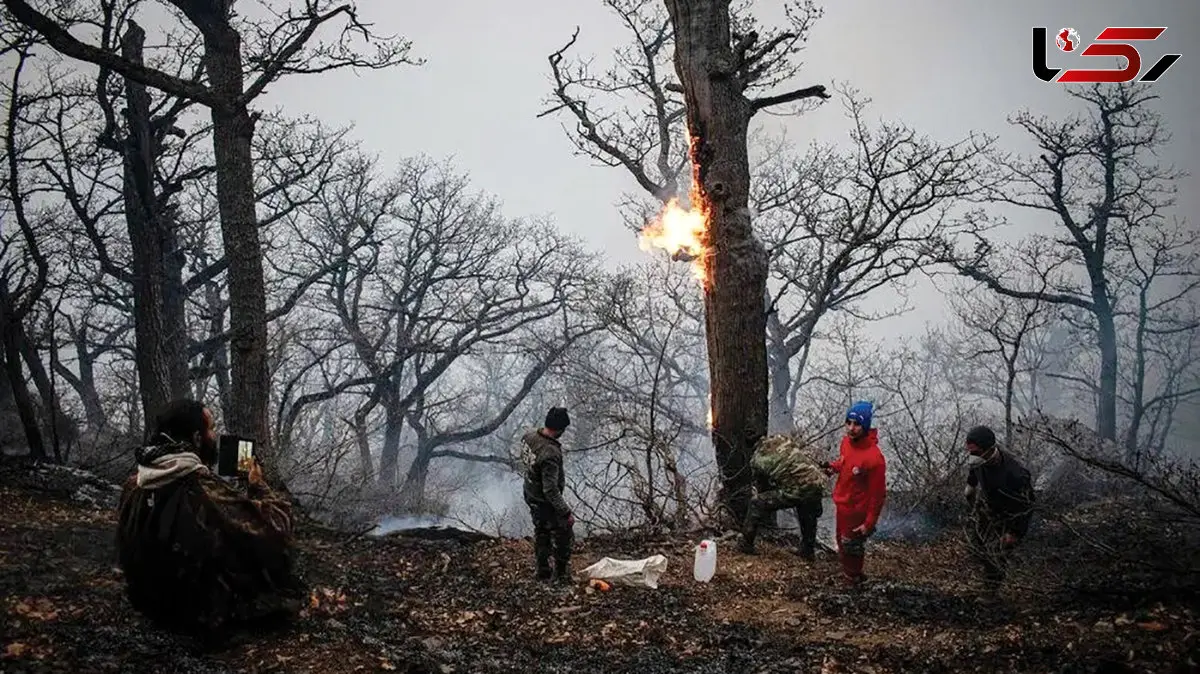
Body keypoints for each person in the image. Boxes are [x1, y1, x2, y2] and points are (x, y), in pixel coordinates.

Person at [116, 399, 304, 639]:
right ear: (196, 438)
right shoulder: (199, 488)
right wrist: (258, 485)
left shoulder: (134, 483)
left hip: (149, 603)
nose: (215, 436)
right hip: (193, 615)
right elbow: (276, 527)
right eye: (211, 429)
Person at [963, 425, 1035, 590]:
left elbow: (1028, 505)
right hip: (988, 508)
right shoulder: (978, 461)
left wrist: (1015, 533)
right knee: (978, 545)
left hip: (1009, 516)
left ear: (989, 449)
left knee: (996, 554)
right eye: (970, 452)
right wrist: (970, 488)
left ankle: (990, 592)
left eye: (976, 452)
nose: (972, 457)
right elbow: (973, 474)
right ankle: (984, 572)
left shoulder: (1015, 473)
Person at [823, 401, 887, 587]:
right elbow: (844, 463)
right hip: (842, 505)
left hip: (857, 510)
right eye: (848, 422)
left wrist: (869, 522)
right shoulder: (846, 443)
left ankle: (853, 579)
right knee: (841, 544)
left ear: (865, 426)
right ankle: (849, 576)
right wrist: (832, 468)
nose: (851, 428)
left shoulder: (874, 458)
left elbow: (878, 494)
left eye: (857, 424)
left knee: (851, 547)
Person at [738, 434, 827, 560]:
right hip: (816, 481)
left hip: (798, 488)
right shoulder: (781, 438)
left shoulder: (757, 459)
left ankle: (745, 543)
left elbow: (762, 488)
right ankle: (808, 550)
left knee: (757, 503)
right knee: (806, 509)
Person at [521, 406, 575, 584]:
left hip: (530, 493)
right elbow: (550, 489)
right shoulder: (550, 452)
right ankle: (560, 576)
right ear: (560, 429)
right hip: (545, 501)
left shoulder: (528, 436)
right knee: (563, 534)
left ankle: (543, 570)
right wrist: (565, 512)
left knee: (541, 531)